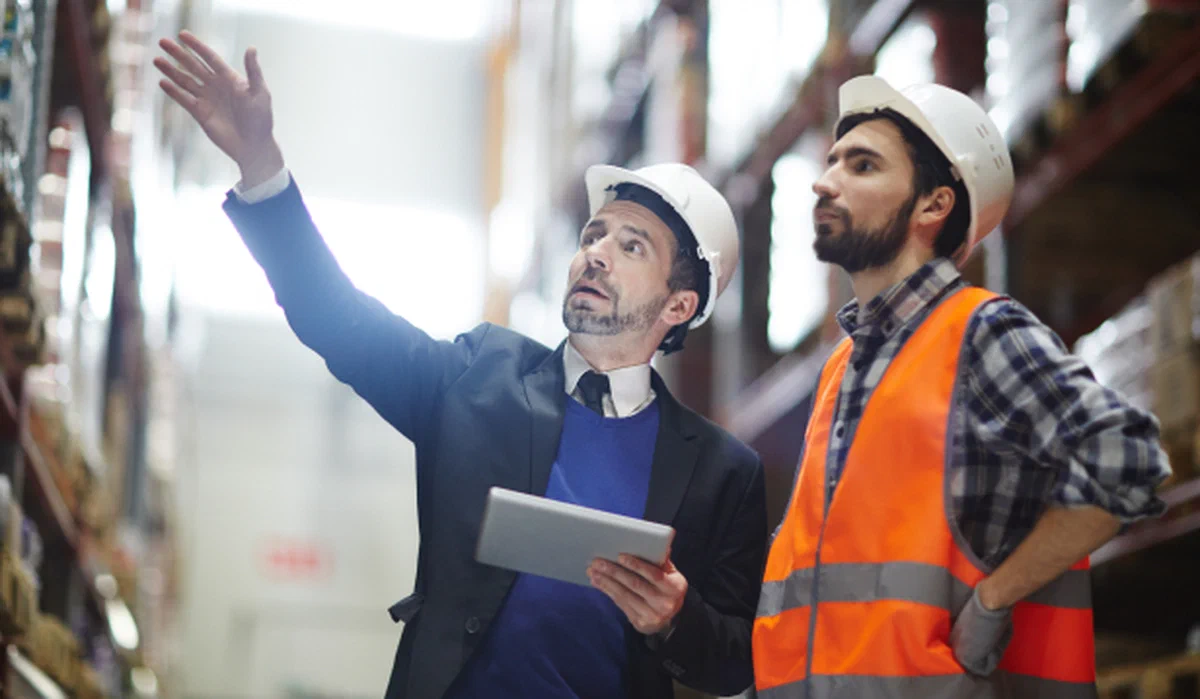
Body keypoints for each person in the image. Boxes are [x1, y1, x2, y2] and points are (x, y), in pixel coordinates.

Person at [154, 31, 767, 699]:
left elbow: (738, 659)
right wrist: (261, 167)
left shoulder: (721, 473)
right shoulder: (481, 375)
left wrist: (676, 618)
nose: (595, 253)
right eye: (593, 234)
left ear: (678, 304)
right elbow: (337, 319)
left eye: (631, 246)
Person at [751, 75, 1171, 698]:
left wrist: (992, 603)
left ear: (933, 206)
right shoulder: (843, 366)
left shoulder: (980, 333)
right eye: (831, 161)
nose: (825, 182)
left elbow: (1127, 460)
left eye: (862, 165)